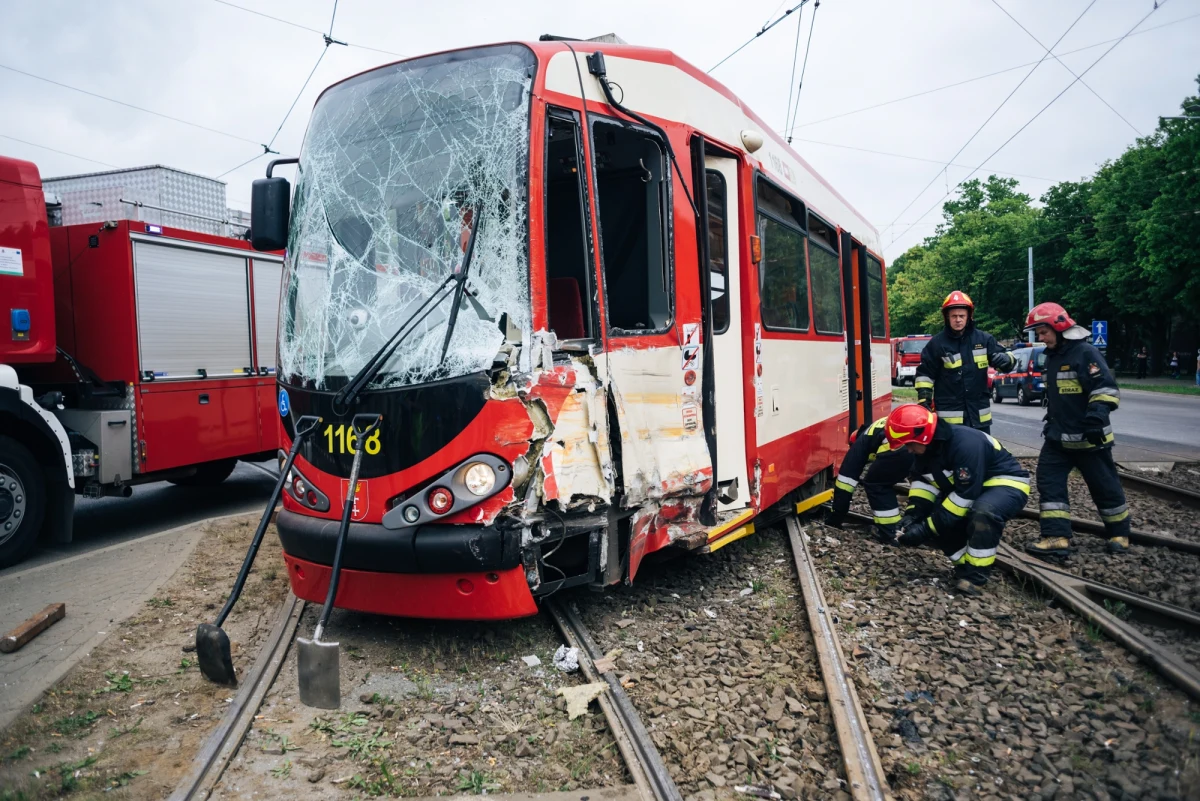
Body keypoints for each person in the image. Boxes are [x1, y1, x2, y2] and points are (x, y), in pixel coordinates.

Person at [884, 403, 1030, 596]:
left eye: (909, 444)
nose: (908, 450)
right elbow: (923, 482)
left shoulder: (965, 443)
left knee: (982, 512)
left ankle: (975, 577)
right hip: (971, 488)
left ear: (923, 436)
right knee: (937, 518)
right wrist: (914, 514)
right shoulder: (927, 450)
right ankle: (965, 565)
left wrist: (925, 529)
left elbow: (963, 498)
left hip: (1006, 483)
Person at [1022, 302, 1130, 559]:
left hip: (1089, 437)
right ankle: (1056, 537)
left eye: (1043, 332)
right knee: (1049, 484)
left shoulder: (1085, 353)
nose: (1040, 337)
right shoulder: (1054, 357)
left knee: (1104, 485)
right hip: (1058, 438)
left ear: (1058, 328)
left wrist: (1096, 416)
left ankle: (1120, 534)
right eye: (1038, 333)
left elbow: (1105, 388)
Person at [914, 290, 1015, 433]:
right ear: (947, 317)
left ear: (969, 317)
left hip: (979, 419)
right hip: (950, 422)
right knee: (952, 455)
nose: (958, 320)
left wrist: (1005, 359)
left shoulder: (984, 340)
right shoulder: (936, 344)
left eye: (962, 316)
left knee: (980, 454)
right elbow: (925, 375)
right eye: (954, 316)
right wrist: (924, 401)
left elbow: (1008, 361)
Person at [824, 418, 916, 543]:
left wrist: (835, 519)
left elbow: (844, 485)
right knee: (923, 485)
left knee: (876, 484)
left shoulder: (859, 445)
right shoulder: (875, 429)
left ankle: (890, 533)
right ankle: (920, 527)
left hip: (899, 445)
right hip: (919, 441)